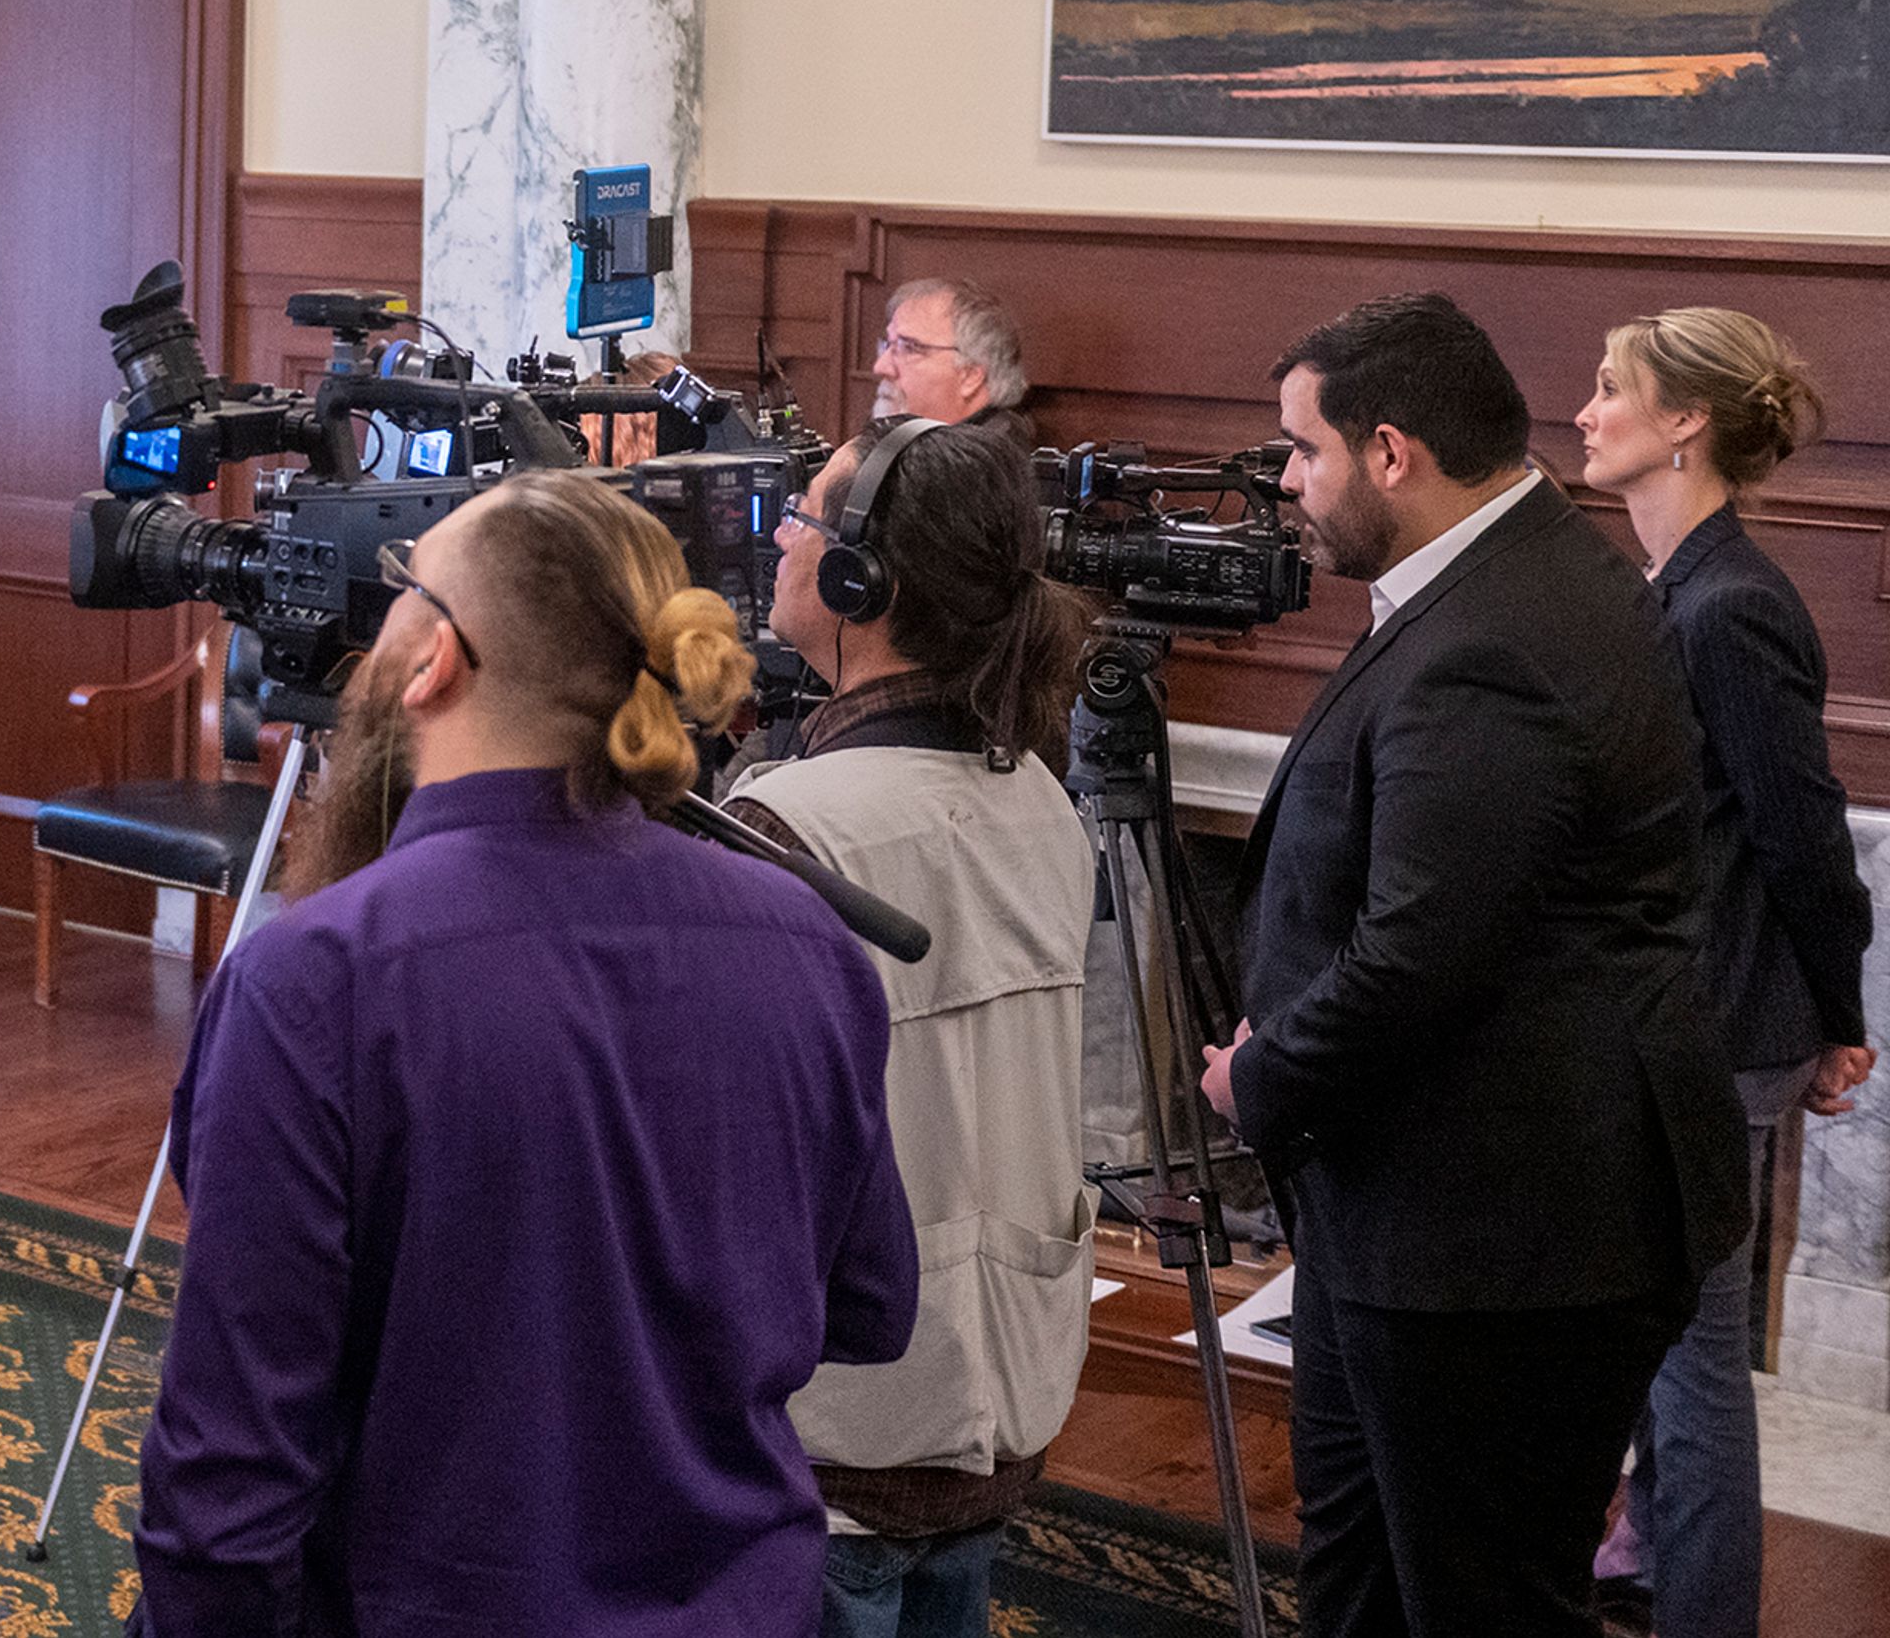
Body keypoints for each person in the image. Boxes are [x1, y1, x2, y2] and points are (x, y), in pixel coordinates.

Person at [136, 471, 917, 1636]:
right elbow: (872, 1307)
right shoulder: (808, 942)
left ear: (435, 659)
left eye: (405, 583)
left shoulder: (316, 981)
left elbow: (231, 1477)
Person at [1202, 291, 1744, 1638]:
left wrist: (1261, 1078)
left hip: (1503, 1243)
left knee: (1481, 1606)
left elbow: (1422, 952)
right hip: (1430, 1215)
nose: (1289, 483)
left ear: (1393, 452)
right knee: (1370, 1578)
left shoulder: (1501, 636)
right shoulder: (1506, 573)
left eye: (1305, 451)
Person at [728, 417, 1098, 1638]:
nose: (778, 534)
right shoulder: (1041, 793)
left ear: (860, 582)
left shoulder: (793, 831)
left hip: (842, 1436)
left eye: (806, 515)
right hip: (993, 1394)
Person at [1574, 308, 1874, 1638]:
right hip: (1677, 1025)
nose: (1584, 411)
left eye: (1609, 389)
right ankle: (1648, 1560)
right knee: (1659, 1343)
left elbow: (1804, 841)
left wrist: (1840, 1020)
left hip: (1713, 1032)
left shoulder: (1732, 601)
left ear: (1683, 421)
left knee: (1692, 1358)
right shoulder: (1678, 587)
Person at [870, 278, 1036, 449]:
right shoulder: (918, 446)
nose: (881, 367)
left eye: (910, 348)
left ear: (970, 376)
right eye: (888, 345)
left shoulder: (982, 464)